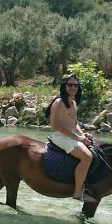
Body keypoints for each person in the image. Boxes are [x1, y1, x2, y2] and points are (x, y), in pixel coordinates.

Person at [45, 75, 96, 203]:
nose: (73, 87)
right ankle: (78, 192)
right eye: (70, 85)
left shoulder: (72, 102)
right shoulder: (59, 102)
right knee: (87, 157)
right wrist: (78, 138)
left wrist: (83, 135)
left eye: (75, 85)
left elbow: (74, 123)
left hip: (71, 135)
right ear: (64, 86)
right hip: (59, 136)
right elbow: (55, 126)